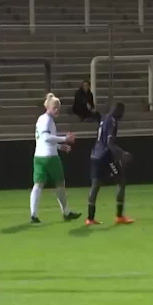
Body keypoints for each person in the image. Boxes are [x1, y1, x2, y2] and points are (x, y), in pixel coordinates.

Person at [31, 93, 80, 224]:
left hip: (39, 157)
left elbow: (42, 140)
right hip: (50, 158)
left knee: (38, 185)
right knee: (60, 183)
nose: (57, 110)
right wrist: (64, 139)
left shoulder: (42, 119)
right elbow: (46, 138)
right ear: (49, 107)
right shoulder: (47, 120)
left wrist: (59, 146)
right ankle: (66, 212)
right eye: (55, 107)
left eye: (59, 107)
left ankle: (33, 215)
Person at [86, 103, 134, 226]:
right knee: (120, 181)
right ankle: (119, 216)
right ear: (119, 112)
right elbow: (109, 143)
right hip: (105, 156)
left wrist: (91, 110)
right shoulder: (112, 121)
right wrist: (122, 153)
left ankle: (90, 218)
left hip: (95, 155)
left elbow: (96, 116)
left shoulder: (104, 118)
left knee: (95, 185)